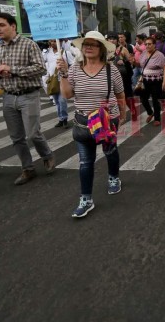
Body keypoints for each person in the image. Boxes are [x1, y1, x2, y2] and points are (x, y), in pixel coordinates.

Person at [56, 31, 126, 218]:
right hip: (83, 123)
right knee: (85, 162)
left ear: (101, 49)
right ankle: (86, 199)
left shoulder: (112, 70)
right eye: (85, 44)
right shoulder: (75, 69)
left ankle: (113, 177)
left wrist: (123, 114)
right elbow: (67, 95)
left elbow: (120, 94)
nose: (88, 47)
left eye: (93, 44)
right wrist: (62, 74)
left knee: (110, 151)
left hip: (106, 120)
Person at [0, 12, 55, 185]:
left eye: (1, 25)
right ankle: (27, 169)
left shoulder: (28, 44)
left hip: (29, 95)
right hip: (8, 97)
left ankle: (47, 155)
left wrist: (13, 69)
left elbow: (40, 69)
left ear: (13, 26)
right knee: (16, 137)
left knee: (33, 133)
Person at [44, 39, 75, 128]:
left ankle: (64, 118)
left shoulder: (65, 53)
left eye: (55, 41)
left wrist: (65, 69)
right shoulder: (48, 54)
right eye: (51, 41)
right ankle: (60, 119)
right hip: (52, 81)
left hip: (62, 79)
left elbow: (72, 64)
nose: (53, 43)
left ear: (60, 42)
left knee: (62, 101)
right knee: (57, 101)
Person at [139, 36, 165, 126]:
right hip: (145, 80)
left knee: (155, 100)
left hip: (156, 81)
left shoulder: (159, 55)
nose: (147, 46)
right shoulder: (143, 53)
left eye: (149, 44)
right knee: (143, 99)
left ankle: (157, 118)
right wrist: (133, 62)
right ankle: (150, 112)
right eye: (146, 44)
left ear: (154, 45)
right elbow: (140, 65)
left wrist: (164, 81)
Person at [107, 32, 137, 121]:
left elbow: (131, 62)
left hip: (123, 76)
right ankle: (117, 115)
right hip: (109, 76)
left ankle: (133, 111)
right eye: (110, 39)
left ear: (117, 40)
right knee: (112, 96)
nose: (112, 41)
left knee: (127, 95)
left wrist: (124, 61)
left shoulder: (123, 49)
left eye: (114, 39)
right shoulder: (105, 49)